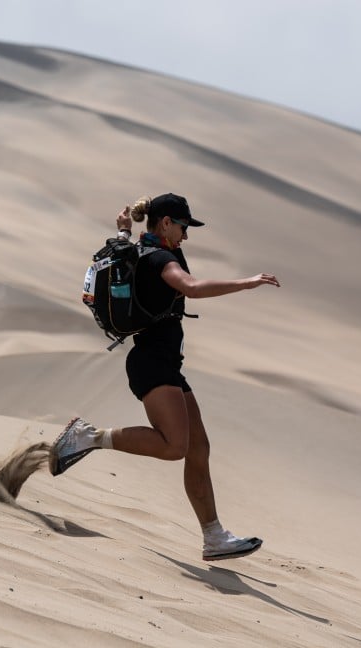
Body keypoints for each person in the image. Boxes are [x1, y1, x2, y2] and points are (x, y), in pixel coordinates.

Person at [49, 193, 281, 561]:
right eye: (184, 227)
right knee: (175, 447)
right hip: (153, 363)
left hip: (165, 363)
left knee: (198, 448)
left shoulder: (150, 250)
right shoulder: (160, 258)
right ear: (166, 223)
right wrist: (246, 282)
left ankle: (214, 537)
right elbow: (191, 287)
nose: (186, 236)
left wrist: (124, 231)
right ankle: (89, 437)